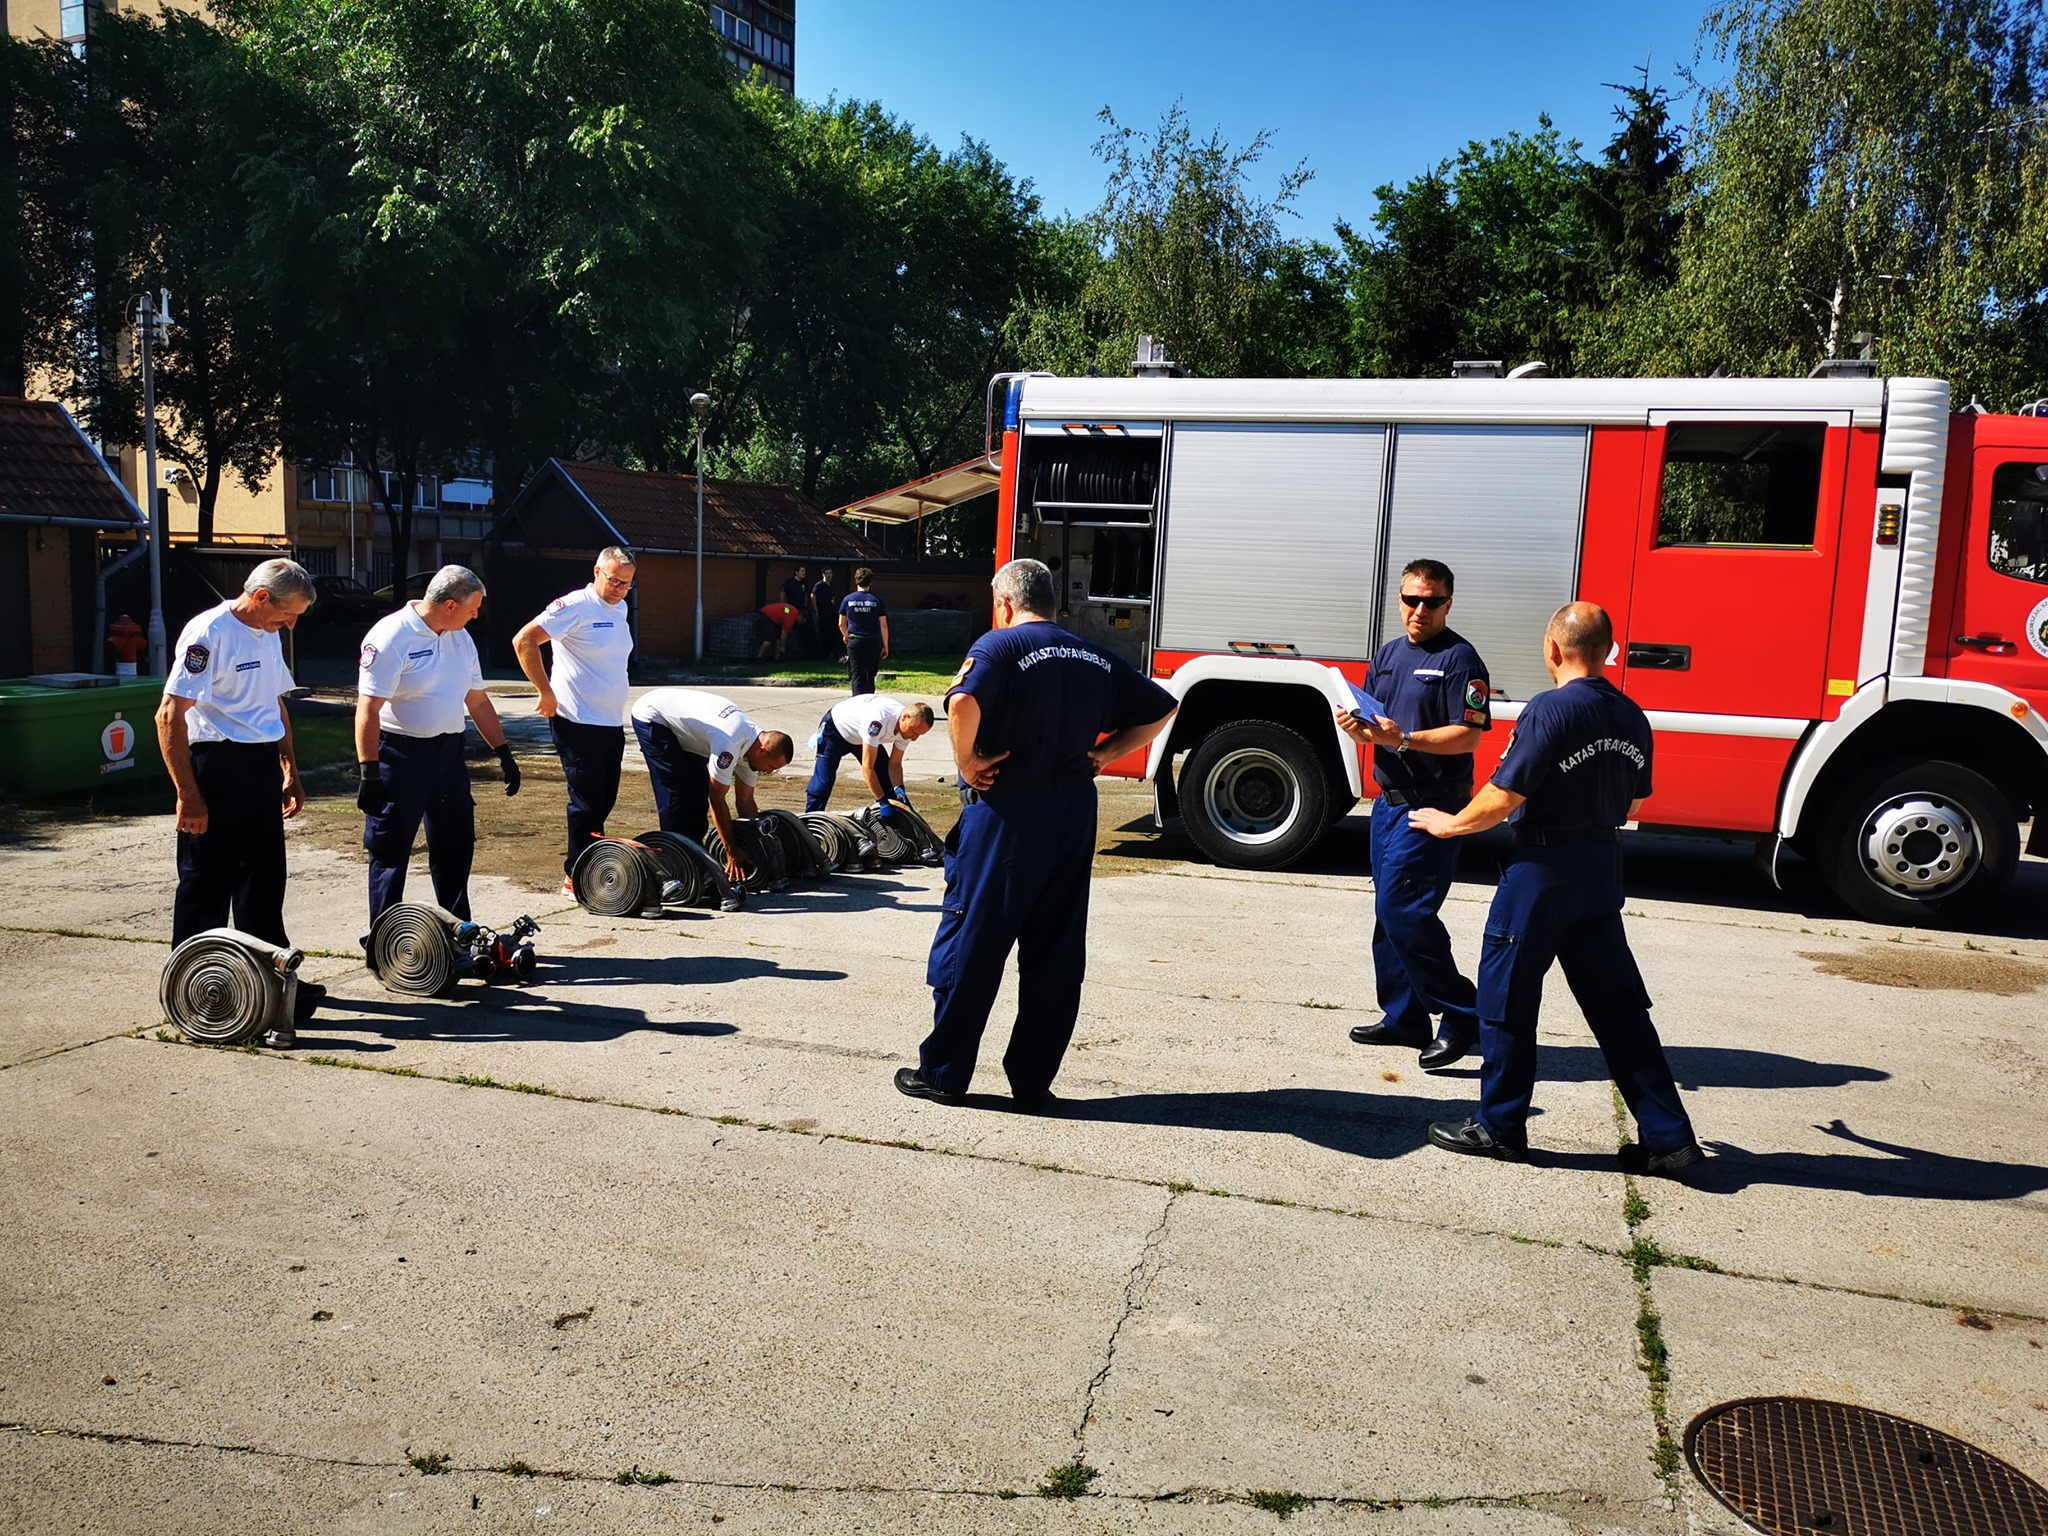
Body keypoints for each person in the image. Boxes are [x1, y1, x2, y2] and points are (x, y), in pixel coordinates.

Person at [1407, 602, 1704, 1177]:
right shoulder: (1632, 714)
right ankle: (1670, 1138)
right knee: (1619, 1010)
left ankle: (1499, 1127)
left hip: (1542, 871)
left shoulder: (1549, 710)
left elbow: (1504, 794)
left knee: (1505, 998)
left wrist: (1449, 824)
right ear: (1607, 651)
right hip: (1600, 869)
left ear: (1552, 650)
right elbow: (1635, 802)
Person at [896, 558, 1176, 1110]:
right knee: (1055, 951)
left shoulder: (997, 647)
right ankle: (1032, 1081)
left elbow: (962, 701)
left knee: (973, 942)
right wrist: (1108, 753)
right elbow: (1163, 705)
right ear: (1053, 603)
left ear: (1004, 603)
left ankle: (945, 1074)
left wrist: (968, 761)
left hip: (1006, 815)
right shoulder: (1090, 653)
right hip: (1071, 815)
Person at [156, 558, 323, 1045]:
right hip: (214, 766)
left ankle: (272, 983)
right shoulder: (209, 632)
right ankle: (195, 990)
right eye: (287, 614)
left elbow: (275, 704)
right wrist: (189, 796)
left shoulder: (266, 633)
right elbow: (169, 717)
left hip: (257, 767)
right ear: (261, 597)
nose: (290, 624)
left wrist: (289, 769)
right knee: (206, 886)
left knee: (264, 883)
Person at [1337, 558, 1492, 1072]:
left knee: (1408, 912)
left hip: (1433, 804)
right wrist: (1358, 727)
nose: (1419, 610)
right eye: (1410, 599)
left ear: (1448, 603)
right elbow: (1375, 722)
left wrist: (1401, 738)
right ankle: (1404, 1016)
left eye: (1431, 601)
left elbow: (1467, 735)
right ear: (1398, 599)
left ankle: (1462, 1014)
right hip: (1388, 804)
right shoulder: (1387, 654)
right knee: (1389, 913)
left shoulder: (1460, 660)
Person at [355, 566, 520, 926]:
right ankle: (383, 938)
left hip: (448, 754)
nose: (477, 614)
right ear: (449, 604)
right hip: (400, 754)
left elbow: (476, 700)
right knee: (390, 849)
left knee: (455, 844)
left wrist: (503, 751)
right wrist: (369, 772)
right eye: (473, 607)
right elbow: (368, 708)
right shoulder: (391, 636)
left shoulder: (460, 637)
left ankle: (458, 928)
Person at [511, 546, 637, 895]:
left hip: (610, 721)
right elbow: (524, 640)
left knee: (605, 798)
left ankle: (593, 865)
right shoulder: (574, 606)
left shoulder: (620, 608)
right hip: (576, 720)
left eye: (627, 584)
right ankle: (576, 876)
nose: (620, 589)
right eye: (614, 581)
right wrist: (544, 691)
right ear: (596, 571)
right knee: (585, 800)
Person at [628, 688, 794, 884]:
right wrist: (730, 850)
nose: (770, 772)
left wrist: (756, 848)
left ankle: (695, 854)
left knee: (698, 789)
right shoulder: (730, 744)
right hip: (653, 716)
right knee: (677, 790)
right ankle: (674, 862)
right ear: (762, 751)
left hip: (689, 730)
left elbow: (745, 802)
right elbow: (717, 799)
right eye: (772, 767)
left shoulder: (752, 753)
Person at [803, 694, 936, 812]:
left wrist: (899, 789)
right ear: (905, 717)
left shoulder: (908, 728)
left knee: (887, 784)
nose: (914, 738)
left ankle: (897, 827)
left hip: (862, 737)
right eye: (914, 732)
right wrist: (882, 801)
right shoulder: (878, 721)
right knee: (822, 785)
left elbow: (894, 764)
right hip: (835, 731)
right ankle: (809, 823)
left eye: (919, 735)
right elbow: (868, 768)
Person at [838, 567, 889, 694]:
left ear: (856, 581)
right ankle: (869, 701)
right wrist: (885, 645)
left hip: (854, 640)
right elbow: (883, 625)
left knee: (856, 674)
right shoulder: (877, 601)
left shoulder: (848, 600)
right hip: (872, 641)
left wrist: (845, 636)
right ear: (870, 582)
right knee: (870, 675)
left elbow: (841, 623)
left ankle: (856, 702)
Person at [780, 565, 812, 656]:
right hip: (790, 609)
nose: (804, 573)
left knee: (806, 629)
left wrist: (805, 606)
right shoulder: (789, 582)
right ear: (796, 572)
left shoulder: (804, 583)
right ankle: (783, 652)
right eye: (802, 571)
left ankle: (807, 652)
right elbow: (783, 594)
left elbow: (806, 595)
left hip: (801, 610)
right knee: (787, 629)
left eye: (804, 571)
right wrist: (784, 608)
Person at [809, 567, 836, 660]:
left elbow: (833, 597)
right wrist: (816, 610)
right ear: (823, 574)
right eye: (827, 573)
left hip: (830, 612)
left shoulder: (831, 586)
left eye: (830, 573)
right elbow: (813, 596)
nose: (829, 575)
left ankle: (830, 653)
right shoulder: (819, 585)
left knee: (831, 632)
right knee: (822, 633)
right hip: (821, 612)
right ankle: (822, 654)